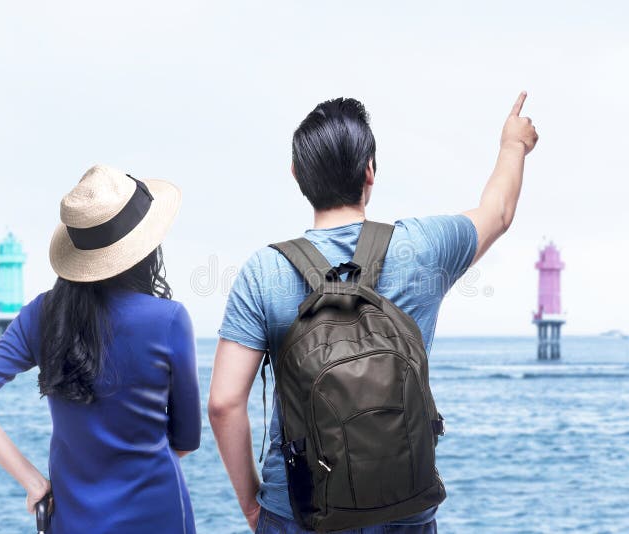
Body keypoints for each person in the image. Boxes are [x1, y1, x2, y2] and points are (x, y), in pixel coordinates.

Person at [209, 93, 538, 532]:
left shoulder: (264, 271)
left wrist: (255, 505)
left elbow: (224, 403)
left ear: (297, 175)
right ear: (370, 170)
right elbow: (498, 212)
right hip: (405, 506)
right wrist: (512, 145)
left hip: (299, 513)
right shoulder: (424, 246)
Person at [0, 165, 201, 533]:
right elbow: (186, 440)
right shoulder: (170, 319)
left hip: (74, 520)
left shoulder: (42, 314)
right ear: (144, 245)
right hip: (159, 515)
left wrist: (33, 481)